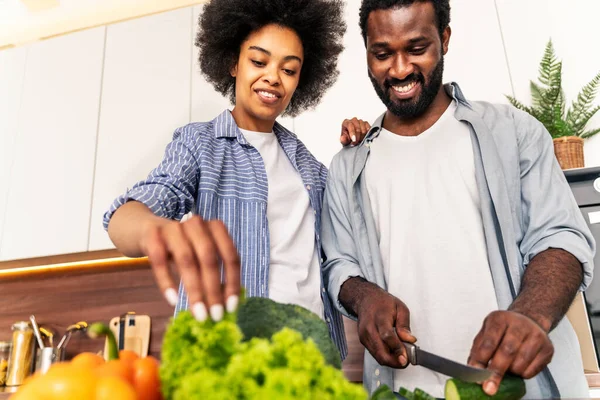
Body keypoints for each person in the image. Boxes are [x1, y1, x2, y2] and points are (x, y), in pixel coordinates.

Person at [322, 0, 596, 398]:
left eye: (417, 49)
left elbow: (560, 239)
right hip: (405, 390)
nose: (399, 70)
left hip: (521, 389)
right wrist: (364, 297)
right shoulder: (349, 168)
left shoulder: (513, 133)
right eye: (382, 54)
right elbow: (339, 264)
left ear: (444, 39)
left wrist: (531, 316)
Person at [103, 0, 369, 361]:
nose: (273, 77)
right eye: (259, 62)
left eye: (289, 70)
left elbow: (351, 242)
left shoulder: (311, 168)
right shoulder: (200, 144)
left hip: (310, 362)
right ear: (233, 63)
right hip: (227, 360)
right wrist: (157, 230)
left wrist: (361, 151)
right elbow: (127, 216)